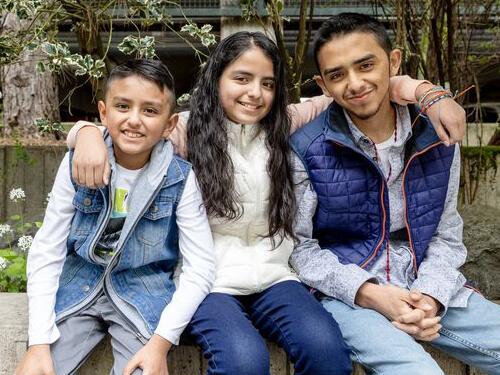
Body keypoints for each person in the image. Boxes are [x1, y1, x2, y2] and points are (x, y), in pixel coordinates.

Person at [290, 12, 500, 375]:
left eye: (366, 65)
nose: (355, 84)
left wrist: (431, 296)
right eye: (337, 75)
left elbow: (446, 233)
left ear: (395, 62)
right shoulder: (306, 147)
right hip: (346, 290)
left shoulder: (437, 134)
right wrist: (370, 293)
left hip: (424, 278)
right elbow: (300, 249)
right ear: (323, 85)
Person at [13, 59, 216, 375]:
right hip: (80, 287)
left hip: (140, 296)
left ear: (170, 124)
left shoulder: (180, 180)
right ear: (104, 113)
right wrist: (38, 342)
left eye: (149, 111)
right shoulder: (76, 165)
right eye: (123, 106)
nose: (134, 120)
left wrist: (161, 343)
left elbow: (200, 266)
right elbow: (47, 250)